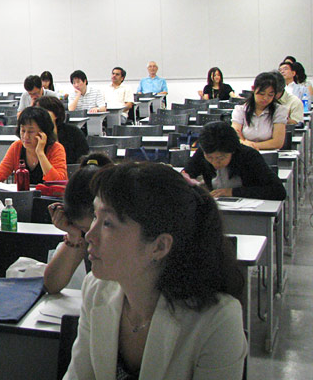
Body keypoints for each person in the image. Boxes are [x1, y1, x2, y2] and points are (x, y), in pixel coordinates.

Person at [64, 162, 246, 379]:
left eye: (108, 223)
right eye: (95, 216)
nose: (89, 235)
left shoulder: (217, 320)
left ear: (159, 246)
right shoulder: (96, 289)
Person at [43, 153, 113, 294]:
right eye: (84, 230)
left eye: (99, 226)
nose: (89, 236)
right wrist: (73, 236)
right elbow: (51, 285)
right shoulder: (82, 235)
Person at [183, 121, 286, 200]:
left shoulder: (249, 156)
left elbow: (278, 191)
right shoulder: (203, 152)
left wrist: (232, 192)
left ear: (232, 151)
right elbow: (187, 175)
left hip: (248, 211)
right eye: (210, 158)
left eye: (221, 158)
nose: (215, 163)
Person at [0, 106, 68, 184]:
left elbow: (58, 182)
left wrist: (40, 153)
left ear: (44, 132)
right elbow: (0, 174)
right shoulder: (16, 147)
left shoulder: (56, 148)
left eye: (31, 131)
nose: (26, 136)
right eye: (23, 131)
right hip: (22, 192)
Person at [231, 71, 287, 150]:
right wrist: (244, 143)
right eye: (261, 94)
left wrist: (250, 145)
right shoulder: (241, 109)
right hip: (245, 153)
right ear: (253, 89)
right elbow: (235, 136)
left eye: (270, 95)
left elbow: (277, 143)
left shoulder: (279, 110)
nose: (265, 98)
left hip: (270, 153)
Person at [35, 95, 89, 164]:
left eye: (44, 112)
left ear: (56, 114)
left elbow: (84, 158)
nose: (39, 116)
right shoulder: (34, 134)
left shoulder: (73, 132)